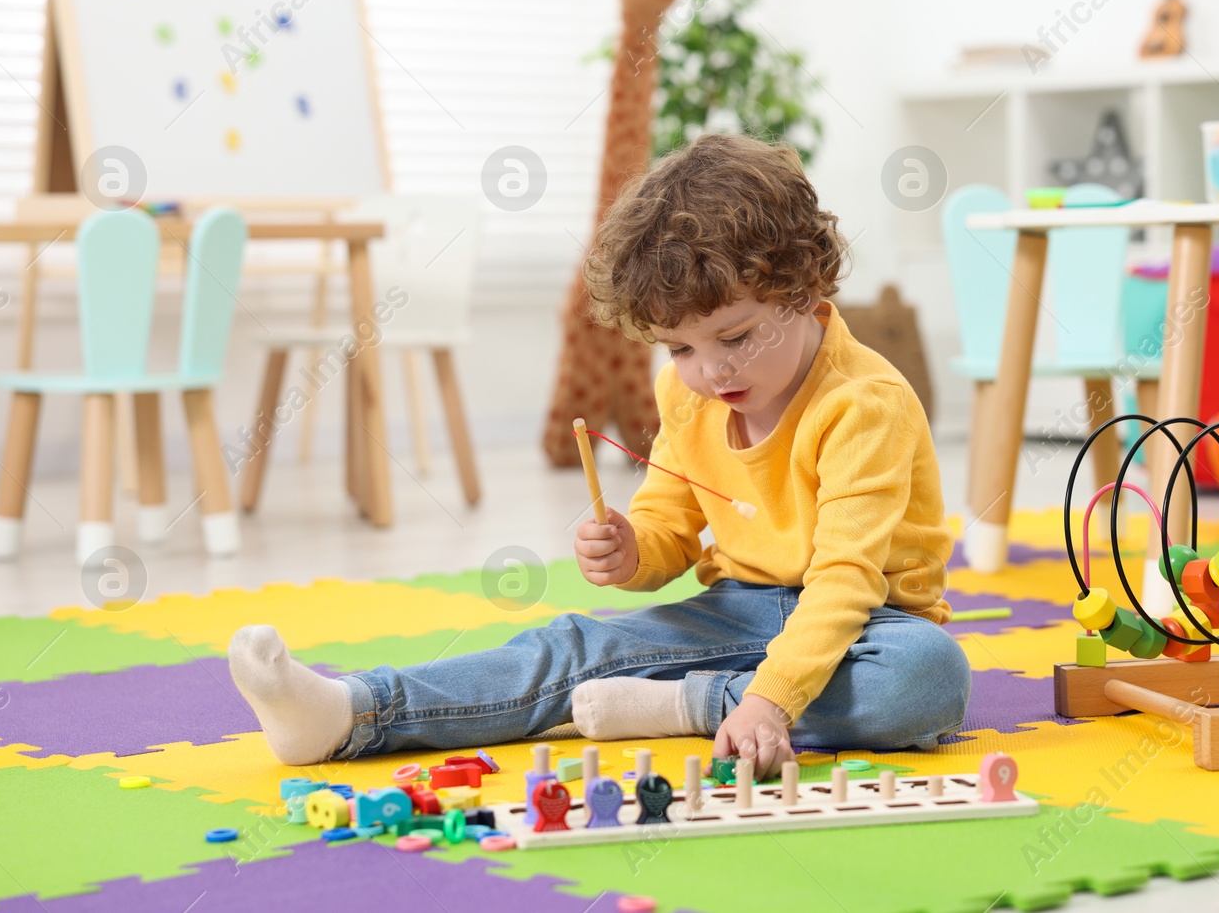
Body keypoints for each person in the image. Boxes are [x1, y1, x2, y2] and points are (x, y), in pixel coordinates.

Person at [228, 132, 969, 777]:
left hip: (871, 618)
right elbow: (671, 524)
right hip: (742, 611)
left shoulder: (863, 403)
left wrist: (772, 699)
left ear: (805, 290)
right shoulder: (689, 393)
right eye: (681, 346)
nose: (712, 371)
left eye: (736, 337)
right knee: (574, 643)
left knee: (926, 679)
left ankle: (694, 701)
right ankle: (354, 711)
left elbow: (843, 579)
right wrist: (632, 548)